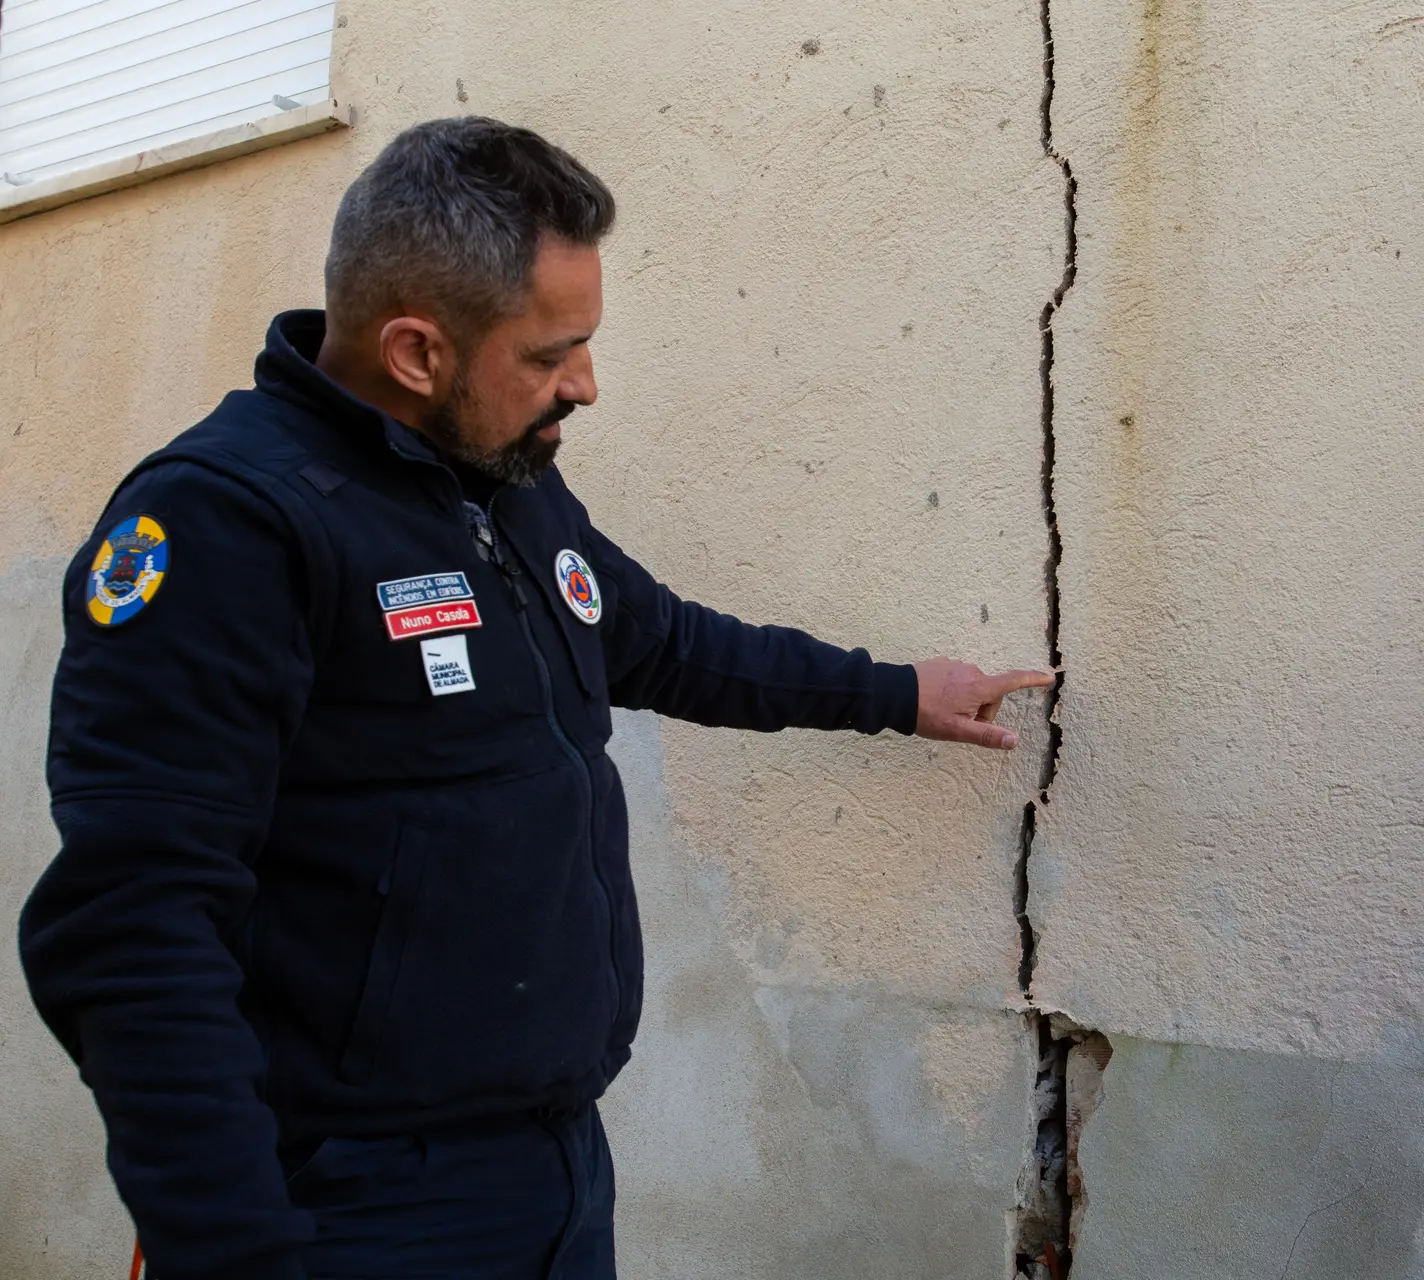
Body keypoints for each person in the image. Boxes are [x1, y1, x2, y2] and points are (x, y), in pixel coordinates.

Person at [18, 117, 1051, 1280]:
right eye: (553, 352)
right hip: (345, 1209)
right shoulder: (226, 521)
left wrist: (897, 691)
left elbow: (662, 642)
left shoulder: (501, 485)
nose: (586, 384)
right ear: (417, 352)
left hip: (550, 1175)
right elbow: (134, 924)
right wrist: (234, 1245)